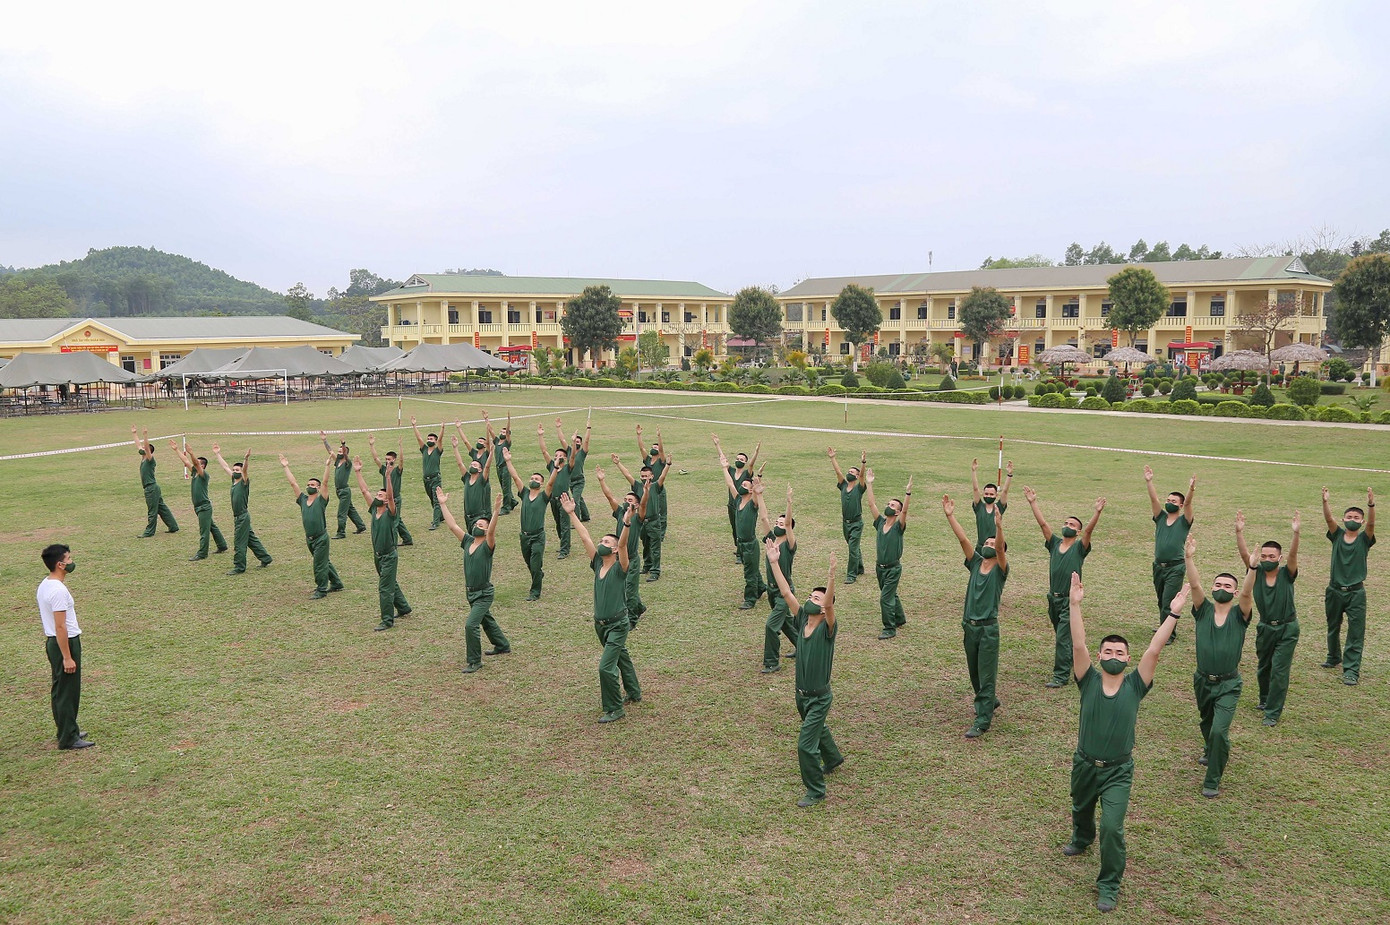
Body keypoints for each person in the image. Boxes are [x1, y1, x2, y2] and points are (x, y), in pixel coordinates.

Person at [1062, 572, 1184, 913]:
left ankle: (1108, 884)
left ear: (1128, 659)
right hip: (1085, 763)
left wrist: (1173, 613)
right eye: (1108, 650)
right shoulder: (1087, 680)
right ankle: (1081, 838)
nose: (1113, 654)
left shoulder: (1135, 685)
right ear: (1100, 656)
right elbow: (1078, 644)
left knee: (1112, 829)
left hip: (1118, 771)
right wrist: (1074, 605)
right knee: (1081, 807)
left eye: (1120, 651)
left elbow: (1155, 649)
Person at [767, 540, 841, 807]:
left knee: (805, 745)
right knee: (815, 729)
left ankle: (816, 791)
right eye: (810, 595)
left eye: (817, 598)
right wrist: (774, 562)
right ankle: (833, 757)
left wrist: (831, 576)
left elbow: (831, 605)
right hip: (801, 695)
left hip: (820, 698)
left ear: (824, 608)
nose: (811, 599)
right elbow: (786, 592)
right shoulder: (801, 620)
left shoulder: (827, 628)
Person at [1183, 535, 1255, 798]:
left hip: (1228, 684)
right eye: (1218, 584)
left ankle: (1212, 780)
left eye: (1227, 585)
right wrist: (1189, 558)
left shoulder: (1240, 613)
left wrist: (1253, 569)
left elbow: (1248, 592)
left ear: (1234, 593)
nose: (1221, 587)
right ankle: (1210, 749)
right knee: (1206, 722)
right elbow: (1194, 584)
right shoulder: (1202, 610)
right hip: (1202, 680)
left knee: (1219, 731)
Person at [565, 491, 640, 722]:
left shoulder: (620, 567)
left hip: (618, 624)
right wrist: (572, 514)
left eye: (607, 542)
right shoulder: (597, 562)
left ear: (615, 550)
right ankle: (634, 692)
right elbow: (585, 537)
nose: (601, 543)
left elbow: (625, 544)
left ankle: (615, 708)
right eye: (602, 541)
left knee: (605, 668)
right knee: (621, 657)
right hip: (601, 625)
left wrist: (626, 523)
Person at [1023, 488, 1105, 687]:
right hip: (1053, 599)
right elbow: (1043, 524)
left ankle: (1060, 676)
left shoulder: (1079, 548)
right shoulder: (1054, 544)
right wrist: (1033, 503)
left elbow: (1088, 532)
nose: (1067, 526)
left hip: (1069, 601)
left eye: (1072, 525)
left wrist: (1097, 512)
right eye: (1066, 523)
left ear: (1077, 532)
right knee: (1064, 637)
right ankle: (1075, 665)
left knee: (1063, 638)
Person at [944, 493, 1008, 738]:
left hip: (988, 629)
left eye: (993, 545)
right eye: (987, 543)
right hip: (969, 627)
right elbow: (963, 539)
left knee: (987, 674)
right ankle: (988, 700)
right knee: (974, 672)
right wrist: (951, 516)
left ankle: (983, 719)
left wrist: (999, 528)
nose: (988, 546)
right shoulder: (975, 563)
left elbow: (1000, 549)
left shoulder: (1001, 570)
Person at [1235, 510, 1301, 725]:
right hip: (1265, 628)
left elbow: (1293, 556)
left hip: (1287, 628)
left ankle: (1272, 712)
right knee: (1264, 666)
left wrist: (1296, 534)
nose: (1267, 559)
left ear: (1279, 559)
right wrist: (1239, 532)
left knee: (1279, 671)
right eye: (1264, 556)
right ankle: (1264, 699)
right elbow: (1246, 556)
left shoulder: (1286, 573)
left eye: (1272, 556)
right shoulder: (1256, 573)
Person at [438, 489, 510, 673]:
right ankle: (502, 644)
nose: (477, 525)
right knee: (486, 620)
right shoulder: (468, 541)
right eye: (477, 523)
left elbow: (492, 531)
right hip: (470, 592)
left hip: (484, 593)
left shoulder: (488, 545)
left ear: (486, 531)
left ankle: (475, 661)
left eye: (482, 525)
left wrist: (495, 512)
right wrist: (443, 504)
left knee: (471, 625)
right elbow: (453, 526)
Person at [38, 543, 92, 750]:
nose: (71, 562)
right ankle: (68, 738)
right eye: (68, 559)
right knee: (68, 691)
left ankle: (67, 728)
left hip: (55, 642)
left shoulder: (45, 584)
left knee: (60, 689)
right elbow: (61, 627)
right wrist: (68, 656)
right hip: (64, 642)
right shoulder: (58, 591)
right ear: (60, 564)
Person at [1321, 486, 1376, 685]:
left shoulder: (1364, 539)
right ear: (1343, 520)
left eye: (1356, 518)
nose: (1352, 519)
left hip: (1356, 593)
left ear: (1361, 522)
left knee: (1355, 632)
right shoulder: (1336, 535)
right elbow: (1328, 520)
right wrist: (1325, 502)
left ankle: (1351, 670)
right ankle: (1333, 656)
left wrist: (1370, 504)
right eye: (1349, 517)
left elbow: (1372, 523)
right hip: (1334, 590)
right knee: (1332, 626)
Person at [355, 456, 411, 630]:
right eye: (377, 494)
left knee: (384, 588)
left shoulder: (391, 513)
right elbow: (364, 491)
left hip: (389, 556)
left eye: (381, 495)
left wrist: (388, 476)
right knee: (389, 582)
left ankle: (387, 620)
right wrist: (358, 472)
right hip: (377, 556)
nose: (377, 496)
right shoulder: (374, 510)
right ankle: (403, 607)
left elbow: (392, 497)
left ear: (387, 501)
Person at [280, 454, 344, 599]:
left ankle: (321, 590)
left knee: (319, 565)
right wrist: (286, 467)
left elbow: (326, 482)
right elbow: (293, 484)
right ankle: (337, 583)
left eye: (313, 485)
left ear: (318, 488)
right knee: (323, 561)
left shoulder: (321, 500)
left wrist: (327, 466)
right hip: (309, 539)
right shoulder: (302, 499)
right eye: (308, 485)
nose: (310, 487)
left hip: (321, 538)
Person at [596, 464, 651, 630]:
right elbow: (609, 497)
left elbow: (643, 505)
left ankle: (632, 619)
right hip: (617, 558)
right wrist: (602, 481)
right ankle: (639, 607)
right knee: (623, 588)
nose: (627, 502)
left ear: (636, 504)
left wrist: (646, 491)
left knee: (630, 590)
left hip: (632, 559)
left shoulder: (639, 517)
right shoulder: (620, 513)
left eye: (630, 500)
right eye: (626, 500)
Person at [1145, 466, 1196, 642]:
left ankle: (1168, 634)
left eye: (1174, 501)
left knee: (1168, 601)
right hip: (1158, 566)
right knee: (1161, 600)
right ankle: (1163, 625)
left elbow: (1189, 504)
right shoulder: (1160, 517)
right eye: (1168, 500)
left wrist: (1190, 489)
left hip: (1175, 567)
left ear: (1180, 506)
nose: (1169, 502)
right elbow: (1153, 499)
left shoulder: (1184, 521)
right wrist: (1149, 481)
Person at [502, 448, 559, 601]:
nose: (534, 480)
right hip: (524, 536)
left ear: (541, 483)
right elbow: (515, 477)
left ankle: (535, 592)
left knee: (535, 564)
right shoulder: (525, 493)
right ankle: (538, 575)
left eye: (537, 479)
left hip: (538, 537)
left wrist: (556, 468)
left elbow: (552, 482)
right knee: (530, 564)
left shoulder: (544, 496)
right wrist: (508, 460)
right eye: (532, 478)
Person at [865, 468, 912, 639]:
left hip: (893, 569)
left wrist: (907, 493)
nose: (888, 506)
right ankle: (899, 618)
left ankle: (890, 628)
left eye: (892, 505)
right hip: (880, 568)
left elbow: (906, 511)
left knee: (885, 598)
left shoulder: (898, 527)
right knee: (890, 594)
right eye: (888, 504)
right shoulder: (880, 523)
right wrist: (869, 484)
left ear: (898, 512)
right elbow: (871, 504)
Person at [612, 450, 671, 585]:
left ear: (652, 476)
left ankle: (655, 571)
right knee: (645, 545)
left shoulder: (656, 486)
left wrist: (668, 464)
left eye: (647, 476)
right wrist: (618, 463)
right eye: (642, 476)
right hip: (641, 522)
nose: (645, 478)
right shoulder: (637, 486)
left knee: (655, 547)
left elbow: (663, 477)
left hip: (654, 522)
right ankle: (647, 566)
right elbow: (627, 474)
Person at [756, 482, 798, 673]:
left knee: (771, 626)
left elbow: (788, 523)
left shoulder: (789, 544)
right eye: (777, 523)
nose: (778, 525)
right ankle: (802, 646)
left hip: (784, 592)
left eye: (782, 524)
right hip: (772, 590)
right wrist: (759, 495)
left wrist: (789, 502)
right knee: (786, 622)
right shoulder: (770, 539)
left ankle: (771, 662)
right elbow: (763, 517)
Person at [212, 444, 272, 575]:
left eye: (237, 470)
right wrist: (217, 454)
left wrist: (246, 459)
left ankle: (239, 567)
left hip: (242, 516)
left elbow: (245, 471)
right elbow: (224, 466)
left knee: (239, 542)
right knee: (250, 539)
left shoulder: (244, 481)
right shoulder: (233, 479)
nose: (235, 471)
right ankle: (265, 558)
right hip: (238, 517)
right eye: (234, 470)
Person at [718, 443, 765, 609]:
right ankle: (761, 587)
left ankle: (750, 599)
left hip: (750, 543)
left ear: (751, 490)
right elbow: (730, 484)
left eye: (746, 485)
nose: (742, 486)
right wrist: (725, 468)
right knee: (750, 566)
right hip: (741, 543)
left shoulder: (753, 503)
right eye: (742, 485)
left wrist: (757, 487)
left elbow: (757, 495)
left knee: (749, 573)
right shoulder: (738, 500)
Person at [170, 440, 228, 560]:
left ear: (203, 466)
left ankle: (202, 553)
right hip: (199, 507)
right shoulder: (195, 473)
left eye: (198, 464)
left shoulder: (203, 475)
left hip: (204, 507)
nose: (195, 465)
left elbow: (194, 462)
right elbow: (186, 461)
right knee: (211, 526)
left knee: (204, 531)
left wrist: (191, 453)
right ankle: (222, 545)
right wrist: (176, 450)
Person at [713, 436, 759, 561]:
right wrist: (717, 445)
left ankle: (740, 554)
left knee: (740, 530)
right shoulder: (731, 470)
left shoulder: (746, 474)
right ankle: (738, 547)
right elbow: (723, 459)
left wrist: (756, 452)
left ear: (745, 462)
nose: (738, 460)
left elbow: (751, 464)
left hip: (742, 506)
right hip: (731, 505)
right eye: (737, 458)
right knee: (734, 528)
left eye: (741, 459)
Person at [827, 446, 866, 583]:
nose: (849, 473)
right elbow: (837, 471)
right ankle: (860, 567)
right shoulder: (843, 485)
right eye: (848, 471)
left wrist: (863, 463)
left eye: (852, 472)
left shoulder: (859, 488)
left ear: (856, 476)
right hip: (845, 523)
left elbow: (862, 476)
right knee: (852, 546)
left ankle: (851, 575)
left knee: (852, 549)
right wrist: (833, 458)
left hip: (856, 523)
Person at [132, 425, 178, 538]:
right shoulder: (143, 459)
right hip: (152, 488)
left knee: (152, 511)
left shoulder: (150, 460)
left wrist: (145, 435)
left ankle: (149, 532)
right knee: (162, 508)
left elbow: (146, 448)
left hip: (151, 488)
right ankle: (173, 526)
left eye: (144, 448)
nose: (142, 448)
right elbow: (138, 445)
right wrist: (134, 433)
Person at [635, 424, 669, 578]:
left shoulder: (661, 461)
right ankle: (648, 563)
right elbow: (642, 449)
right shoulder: (648, 461)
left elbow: (662, 450)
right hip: (646, 492)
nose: (654, 448)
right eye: (653, 446)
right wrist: (639, 435)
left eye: (655, 446)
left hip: (658, 490)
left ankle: (660, 533)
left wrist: (659, 436)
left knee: (661, 512)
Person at [320, 432, 366, 538]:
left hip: (344, 491)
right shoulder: (337, 462)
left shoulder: (347, 463)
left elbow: (345, 453)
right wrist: (324, 440)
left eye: (341, 451)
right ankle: (361, 526)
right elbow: (330, 451)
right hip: (339, 491)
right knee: (350, 509)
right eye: (338, 451)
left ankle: (341, 533)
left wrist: (343, 444)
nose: (339, 453)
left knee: (341, 513)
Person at [369, 435, 414, 546]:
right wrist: (371, 445)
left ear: (394, 459)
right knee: (396, 519)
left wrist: (400, 446)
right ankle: (407, 539)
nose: (387, 461)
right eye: (386, 459)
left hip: (395, 499)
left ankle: (400, 540)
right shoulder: (384, 470)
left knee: (395, 520)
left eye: (389, 459)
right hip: (386, 499)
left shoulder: (398, 470)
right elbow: (376, 459)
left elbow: (402, 460)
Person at [539, 424, 574, 558]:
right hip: (553, 499)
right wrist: (540, 435)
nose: (558, 457)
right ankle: (564, 545)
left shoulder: (568, 468)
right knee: (558, 523)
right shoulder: (552, 467)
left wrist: (572, 444)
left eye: (561, 455)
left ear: (565, 458)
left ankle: (565, 550)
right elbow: (544, 451)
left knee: (565, 525)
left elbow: (572, 456)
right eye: (556, 455)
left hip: (563, 499)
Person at [451, 425, 494, 527]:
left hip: (483, 486)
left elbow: (487, 467)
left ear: (480, 469)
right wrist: (455, 447)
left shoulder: (482, 478)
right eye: (471, 464)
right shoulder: (466, 478)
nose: (472, 465)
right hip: (468, 515)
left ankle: (487, 520)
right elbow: (460, 463)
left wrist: (492, 452)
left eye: (475, 465)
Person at [411, 416, 446, 530]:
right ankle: (440, 516)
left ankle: (435, 522)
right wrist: (414, 425)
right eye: (428, 439)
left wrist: (442, 428)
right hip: (426, 479)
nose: (429, 440)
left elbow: (440, 440)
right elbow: (418, 438)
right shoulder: (424, 449)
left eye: (431, 439)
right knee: (432, 499)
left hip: (435, 479)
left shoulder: (437, 451)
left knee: (436, 501)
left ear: (435, 441)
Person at [970, 457, 1012, 550]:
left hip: (994, 547)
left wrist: (1009, 474)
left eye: (991, 494)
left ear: (996, 495)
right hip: (980, 547)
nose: (989, 496)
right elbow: (975, 488)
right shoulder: (979, 507)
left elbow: (1005, 491)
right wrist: (973, 471)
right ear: (983, 493)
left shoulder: (999, 508)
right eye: (986, 493)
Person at [560, 416, 593, 522]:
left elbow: (587, 441)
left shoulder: (583, 453)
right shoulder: (569, 450)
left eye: (579, 441)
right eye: (576, 441)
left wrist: (588, 428)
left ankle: (577, 520)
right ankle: (586, 516)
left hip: (579, 480)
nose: (577, 442)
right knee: (579, 498)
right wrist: (558, 427)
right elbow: (562, 439)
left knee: (575, 499)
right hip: (570, 480)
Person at [492, 412, 517, 514]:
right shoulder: (497, 441)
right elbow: (490, 430)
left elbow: (507, 433)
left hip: (505, 467)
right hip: (498, 468)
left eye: (504, 432)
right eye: (501, 431)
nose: (502, 433)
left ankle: (506, 508)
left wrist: (508, 420)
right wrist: (486, 419)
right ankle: (513, 501)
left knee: (506, 487)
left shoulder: (507, 442)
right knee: (504, 486)